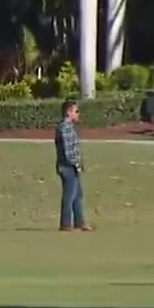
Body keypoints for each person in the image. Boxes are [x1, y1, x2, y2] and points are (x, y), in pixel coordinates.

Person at [54, 99, 92, 232]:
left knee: (78, 194)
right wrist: (77, 164)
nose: (78, 114)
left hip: (71, 166)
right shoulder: (65, 128)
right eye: (76, 111)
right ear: (69, 112)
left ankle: (79, 222)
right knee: (69, 195)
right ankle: (65, 223)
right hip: (68, 167)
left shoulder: (68, 128)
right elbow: (68, 151)